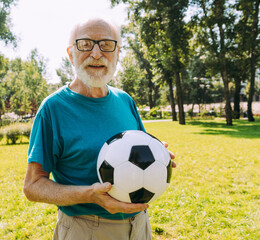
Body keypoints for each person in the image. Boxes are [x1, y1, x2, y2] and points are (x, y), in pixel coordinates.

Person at [23, 18, 176, 240]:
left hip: (140, 225)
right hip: (86, 229)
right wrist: (90, 195)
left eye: (106, 44)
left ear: (117, 53)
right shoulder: (53, 108)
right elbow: (33, 186)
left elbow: (136, 149)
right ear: (70, 53)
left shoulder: (125, 100)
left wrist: (157, 156)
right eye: (85, 44)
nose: (96, 53)